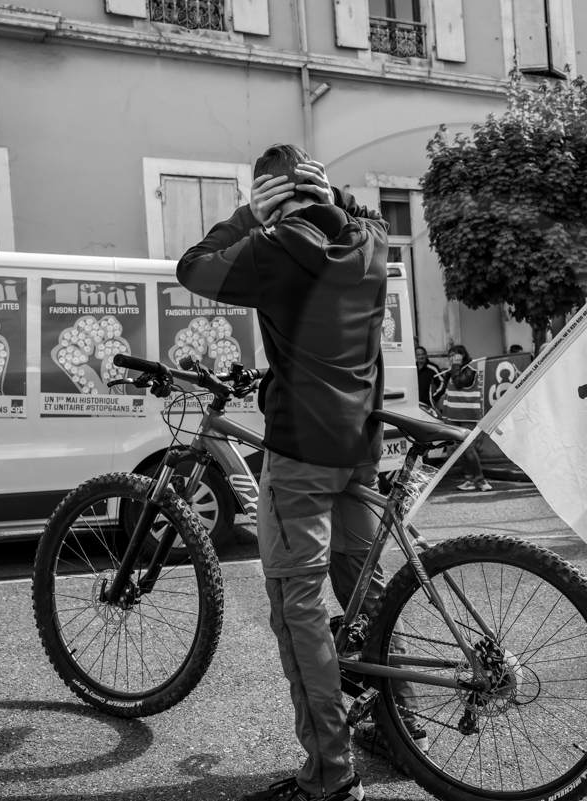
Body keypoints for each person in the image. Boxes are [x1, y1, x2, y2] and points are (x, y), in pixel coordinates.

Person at [178, 143, 421, 801]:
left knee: (299, 608)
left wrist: (243, 214)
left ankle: (330, 776)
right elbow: (360, 215)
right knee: (366, 590)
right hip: (361, 447)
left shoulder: (273, 248)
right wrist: (334, 197)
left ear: (272, 197)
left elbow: (193, 268)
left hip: (302, 456)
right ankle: (404, 730)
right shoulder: (370, 240)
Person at [440, 344, 492, 491]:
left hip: (468, 416)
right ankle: (468, 480)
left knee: (468, 448)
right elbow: (446, 389)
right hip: (454, 415)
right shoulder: (454, 370)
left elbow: (458, 383)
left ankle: (480, 480)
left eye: (454, 355)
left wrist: (455, 366)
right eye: (450, 356)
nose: (451, 358)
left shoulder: (470, 369)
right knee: (460, 448)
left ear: (461, 355)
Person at [415, 344, 443, 409]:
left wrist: (434, 398)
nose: (421, 356)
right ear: (415, 356)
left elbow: (442, 382)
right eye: (418, 355)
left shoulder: (433, 368)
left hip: (429, 405)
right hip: (414, 404)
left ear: (426, 355)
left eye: (423, 354)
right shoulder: (412, 368)